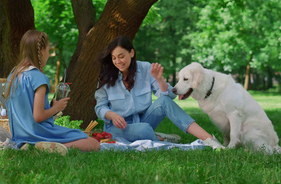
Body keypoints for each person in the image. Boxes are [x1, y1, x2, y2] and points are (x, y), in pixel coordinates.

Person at [94, 35, 225, 150]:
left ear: (132, 53)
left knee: (163, 102)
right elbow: (100, 107)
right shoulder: (106, 76)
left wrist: (160, 80)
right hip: (117, 128)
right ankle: (158, 139)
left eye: (121, 56)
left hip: (144, 121)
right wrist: (111, 115)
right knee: (144, 130)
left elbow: (170, 97)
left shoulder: (146, 68)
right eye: (114, 58)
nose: (117, 61)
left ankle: (209, 139)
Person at [5, 30, 100, 154]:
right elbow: (38, 117)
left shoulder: (12, 75)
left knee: (80, 136)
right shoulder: (38, 77)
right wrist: (57, 108)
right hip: (38, 134)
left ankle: (32, 146)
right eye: (49, 51)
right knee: (93, 144)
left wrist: (51, 107)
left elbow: (27, 112)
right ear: (42, 50)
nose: (49, 55)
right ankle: (47, 147)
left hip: (19, 138)